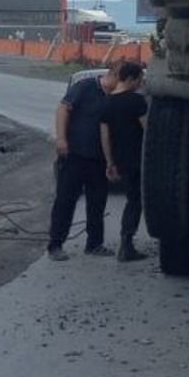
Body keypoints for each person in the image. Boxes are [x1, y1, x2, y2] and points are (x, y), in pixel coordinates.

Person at [48, 62, 123, 259]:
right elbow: (63, 109)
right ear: (114, 75)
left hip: (99, 160)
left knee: (97, 203)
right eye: (121, 80)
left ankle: (94, 244)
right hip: (74, 156)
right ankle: (55, 245)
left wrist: (112, 161)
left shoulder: (114, 98)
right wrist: (62, 138)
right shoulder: (85, 87)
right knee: (65, 201)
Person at [98, 62, 150, 261]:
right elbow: (148, 131)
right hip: (138, 158)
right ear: (130, 79)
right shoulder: (137, 101)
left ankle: (126, 242)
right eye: (139, 79)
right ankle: (126, 245)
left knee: (131, 199)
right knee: (136, 201)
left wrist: (110, 162)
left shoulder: (107, 102)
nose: (140, 83)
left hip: (120, 159)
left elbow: (105, 136)